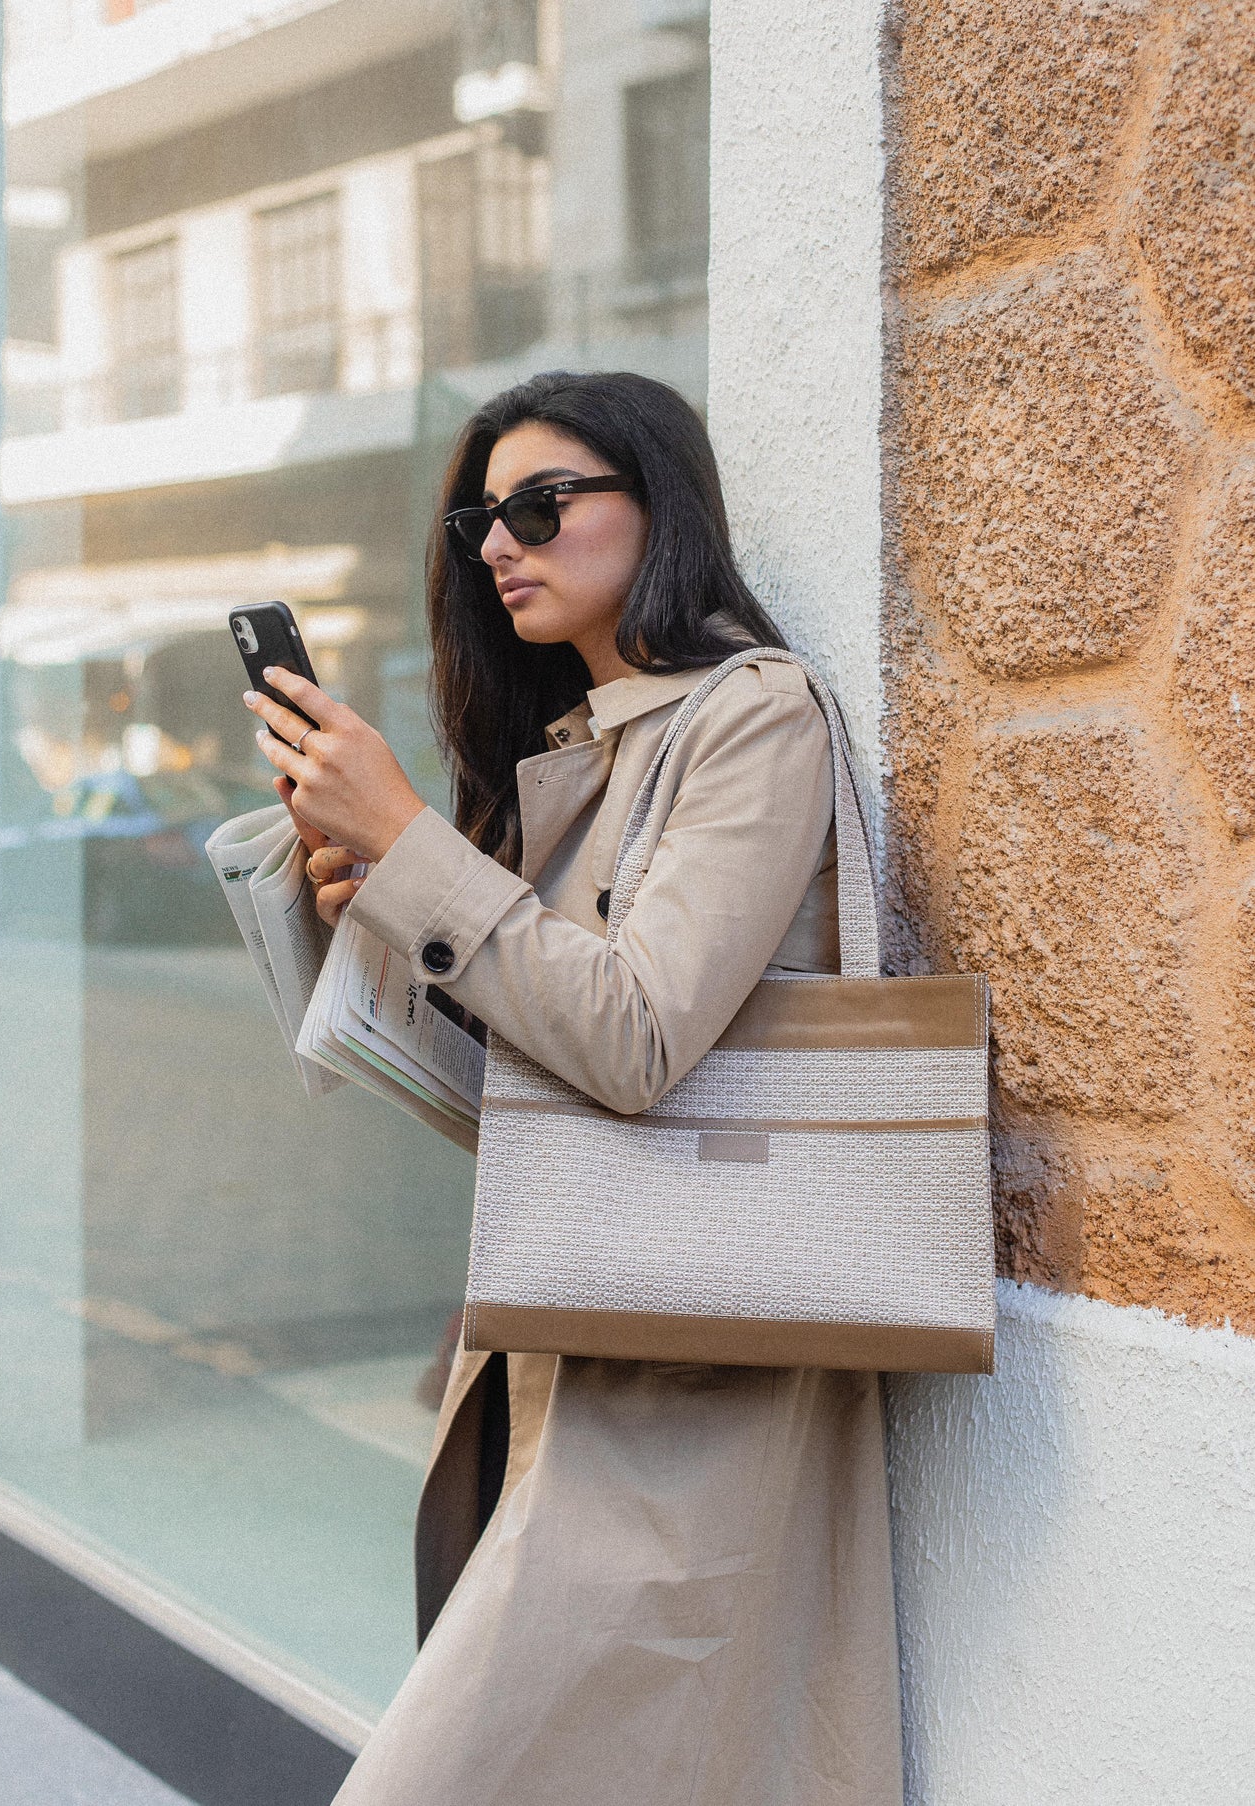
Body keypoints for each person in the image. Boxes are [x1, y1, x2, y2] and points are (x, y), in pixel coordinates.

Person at [243, 371, 902, 1804]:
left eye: (541, 504)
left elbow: (635, 1036)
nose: (497, 543)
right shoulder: (574, 752)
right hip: (565, 1332)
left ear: (657, 507)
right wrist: (370, 912)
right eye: (484, 515)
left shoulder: (753, 716)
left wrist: (416, 842)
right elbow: (509, 1100)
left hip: (689, 1370)